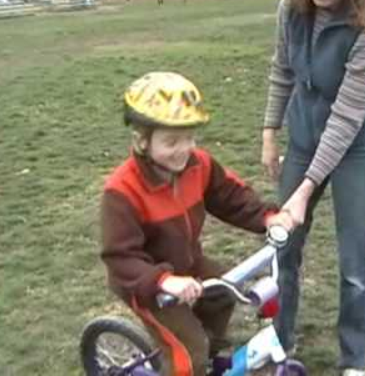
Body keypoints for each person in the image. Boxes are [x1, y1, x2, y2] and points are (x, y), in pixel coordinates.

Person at [100, 71, 294, 376]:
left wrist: (267, 217)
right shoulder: (122, 191)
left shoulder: (198, 165)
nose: (184, 149)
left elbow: (229, 196)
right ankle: (189, 361)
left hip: (188, 264)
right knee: (188, 353)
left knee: (222, 292)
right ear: (141, 141)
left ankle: (205, 355)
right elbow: (120, 258)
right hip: (148, 284)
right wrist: (164, 281)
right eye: (171, 141)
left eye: (190, 137)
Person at [260, 0, 365, 375]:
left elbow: (346, 118)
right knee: (284, 245)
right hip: (302, 135)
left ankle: (355, 360)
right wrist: (270, 133)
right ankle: (280, 338)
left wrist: (305, 188)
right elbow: (282, 71)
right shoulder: (291, 7)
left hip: (356, 146)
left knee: (354, 262)